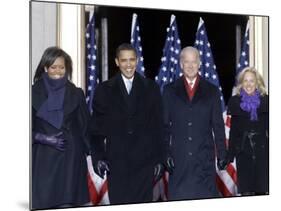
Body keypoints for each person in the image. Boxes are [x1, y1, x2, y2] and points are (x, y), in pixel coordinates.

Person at [87, 43, 165, 204]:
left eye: (131, 60)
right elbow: (95, 130)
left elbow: (158, 127)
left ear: (137, 61)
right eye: (124, 60)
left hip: (145, 164)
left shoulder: (151, 88)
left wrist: (159, 159)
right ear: (117, 62)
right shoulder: (104, 90)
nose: (128, 64)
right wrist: (98, 157)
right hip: (117, 164)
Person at [162, 46, 227, 201]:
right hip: (178, 163)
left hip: (204, 162)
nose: (190, 66)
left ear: (199, 63)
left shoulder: (212, 91)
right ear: (181, 64)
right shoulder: (169, 90)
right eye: (186, 62)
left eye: (194, 62)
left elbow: (218, 126)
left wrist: (223, 154)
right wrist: (165, 154)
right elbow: (164, 126)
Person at [32, 46, 90, 209]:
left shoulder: (77, 93)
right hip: (43, 161)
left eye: (62, 67)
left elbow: (86, 128)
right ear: (45, 67)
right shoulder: (30, 93)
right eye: (53, 67)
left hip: (71, 162)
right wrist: (42, 138)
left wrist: (96, 155)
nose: (58, 71)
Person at [227, 67, 269, 196]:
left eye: (252, 81)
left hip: (263, 153)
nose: (249, 84)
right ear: (241, 83)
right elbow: (233, 132)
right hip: (243, 152)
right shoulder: (235, 102)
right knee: (246, 193)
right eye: (245, 81)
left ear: (257, 83)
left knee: (263, 191)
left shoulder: (266, 101)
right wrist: (230, 155)